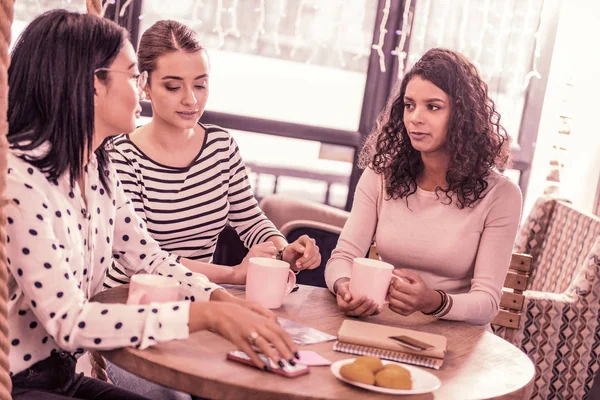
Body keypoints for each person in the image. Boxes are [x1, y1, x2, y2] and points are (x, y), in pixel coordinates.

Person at [5, 10, 298, 399]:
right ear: (94, 85)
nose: (140, 88)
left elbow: (150, 257)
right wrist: (206, 315)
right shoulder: (19, 182)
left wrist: (221, 300)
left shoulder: (95, 169)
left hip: (61, 374)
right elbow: (69, 321)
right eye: (132, 75)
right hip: (15, 381)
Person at [104, 19, 321, 291]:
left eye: (200, 85)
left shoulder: (220, 146)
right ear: (144, 85)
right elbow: (142, 256)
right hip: (129, 298)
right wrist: (233, 274)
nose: (191, 100)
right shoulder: (122, 156)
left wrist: (283, 251)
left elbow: (250, 219)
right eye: (173, 87)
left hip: (199, 295)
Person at [325, 48, 522, 327]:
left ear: (462, 117)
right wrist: (343, 286)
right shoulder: (380, 176)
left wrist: (434, 301)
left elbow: (487, 303)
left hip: (459, 341)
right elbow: (343, 257)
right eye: (409, 105)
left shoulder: (501, 195)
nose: (415, 117)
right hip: (385, 326)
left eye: (433, 106)